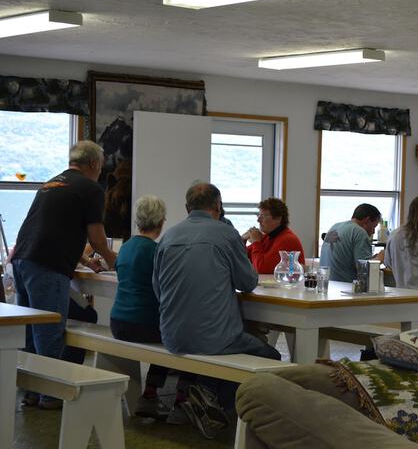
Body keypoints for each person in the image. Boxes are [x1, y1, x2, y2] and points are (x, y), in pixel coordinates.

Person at [153, 182, 280, 439]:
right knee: (270, 356)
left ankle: (208, 395)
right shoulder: (225, 234)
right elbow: (248, 282)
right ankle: (221, 409)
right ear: (218, 207)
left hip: (171, 335)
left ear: (187, 207)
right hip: (216, 337)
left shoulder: (168, 236)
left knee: (229, 345)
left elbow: (158, 289)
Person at [11, 141, 117, 410]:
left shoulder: (50, 184)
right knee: (49, 331)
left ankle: (31, 392)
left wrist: (84, 261)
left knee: (30, 332)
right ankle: (51, 395)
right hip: (47, 265)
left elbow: (49, 228)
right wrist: (119, 264)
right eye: (101, 166)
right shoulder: (91, 189)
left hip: (22, 260)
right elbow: (99, 240)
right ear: (93, 164)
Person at [110, 195, 194, 422]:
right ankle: (182, 398)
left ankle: (150, 394)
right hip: (143, 324)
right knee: (188, 336)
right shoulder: (157, 251)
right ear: (161, 221)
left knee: (168, 331)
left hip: (118, 323)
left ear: (138, 221)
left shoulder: (126, 248)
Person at [319, 203, 384, 282]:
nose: (373, 232)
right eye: (374, 226)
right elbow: (364, 270)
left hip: (327, 284)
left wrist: (372, 258)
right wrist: (379, 259)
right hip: (345, 287)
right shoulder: (359, 232)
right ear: (367, 220)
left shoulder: (335, 226)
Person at [243, 198, 305, 274]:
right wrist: (242, 240)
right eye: (258, 215)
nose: (258, 220)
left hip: (288, 285)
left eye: (263, 216)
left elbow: (261, 268)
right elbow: (242, 258)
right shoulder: (268, 236)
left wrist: (256, 242)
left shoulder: (287, 240)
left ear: (278, 218)